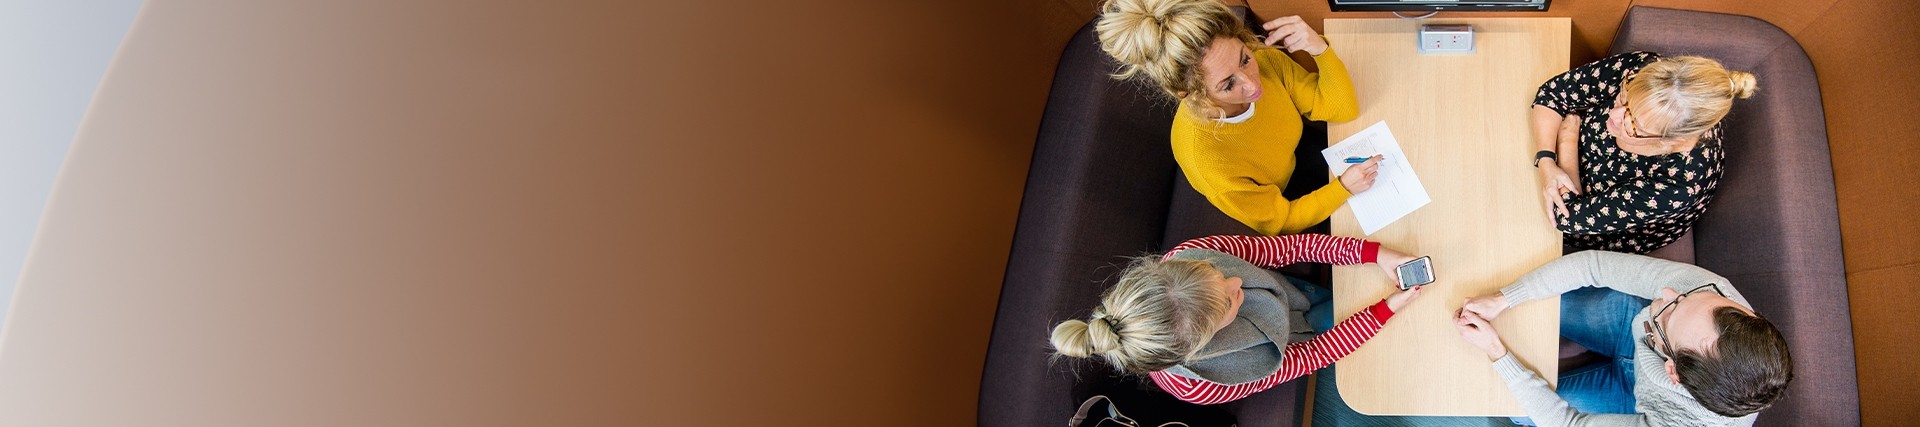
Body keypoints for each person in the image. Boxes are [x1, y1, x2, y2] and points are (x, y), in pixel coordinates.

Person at [1096, 0, 1376, 236]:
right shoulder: (1207, 160)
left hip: (1296, 154)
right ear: (1189, 93)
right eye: (1228, 85)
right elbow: (1282, 221)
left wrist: (1319, 50)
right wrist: (1342, 189)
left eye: (1244, 59)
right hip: (1284, 201)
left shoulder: (1264, 61)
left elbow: (1340, 109)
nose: (1254, 85)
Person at [1051, 234, 1422, 405]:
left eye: (1216, 272)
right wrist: (1384, 310)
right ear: (1205, 343)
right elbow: (1312, 356)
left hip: (1289, 293)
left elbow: (1289, 249)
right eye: (1229, 300)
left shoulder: (1186, 254)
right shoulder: (1202, 385)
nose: (1237, 279)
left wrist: (1374, 253)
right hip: (1297, 339)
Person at [1453, 251, 1793, 426]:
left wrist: (1497, 352)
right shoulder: (1714, 296)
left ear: (1672, 372)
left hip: (1636, 408)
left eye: (1672, 310)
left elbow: (1569, 422)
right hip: (1625, 323)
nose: (1670, 291)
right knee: (1542, 297)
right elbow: (1593, 266)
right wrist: (1506, 297)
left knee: (1511, 408)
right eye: (1690, 295)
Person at [1531, 52, 1757, 254]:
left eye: (1633, 123)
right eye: (1624, 97)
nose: (1614, 114)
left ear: (1672, 142)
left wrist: (1567, 141)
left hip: (1607, 222)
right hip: (1562, 171)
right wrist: (1546, 160)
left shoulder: (1680, 185)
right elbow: (1552, 93)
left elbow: (1568, 218)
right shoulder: (1643, 70)